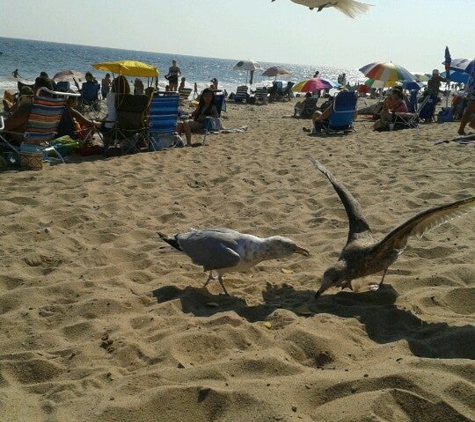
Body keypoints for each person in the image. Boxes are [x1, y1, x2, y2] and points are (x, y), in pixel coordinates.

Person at [3, 76, 54, 144]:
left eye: (34, 87)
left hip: (23, 142)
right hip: (44, 142)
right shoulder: (54, 109)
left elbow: (6, 125)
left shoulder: (29, 108)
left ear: (37, 89)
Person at [457, 63, 475, 135]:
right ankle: (472, 125)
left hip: (472, 88)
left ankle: (461, 129)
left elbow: (469, 73)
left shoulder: (473, 63)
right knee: (469, 110)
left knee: (469, 110)